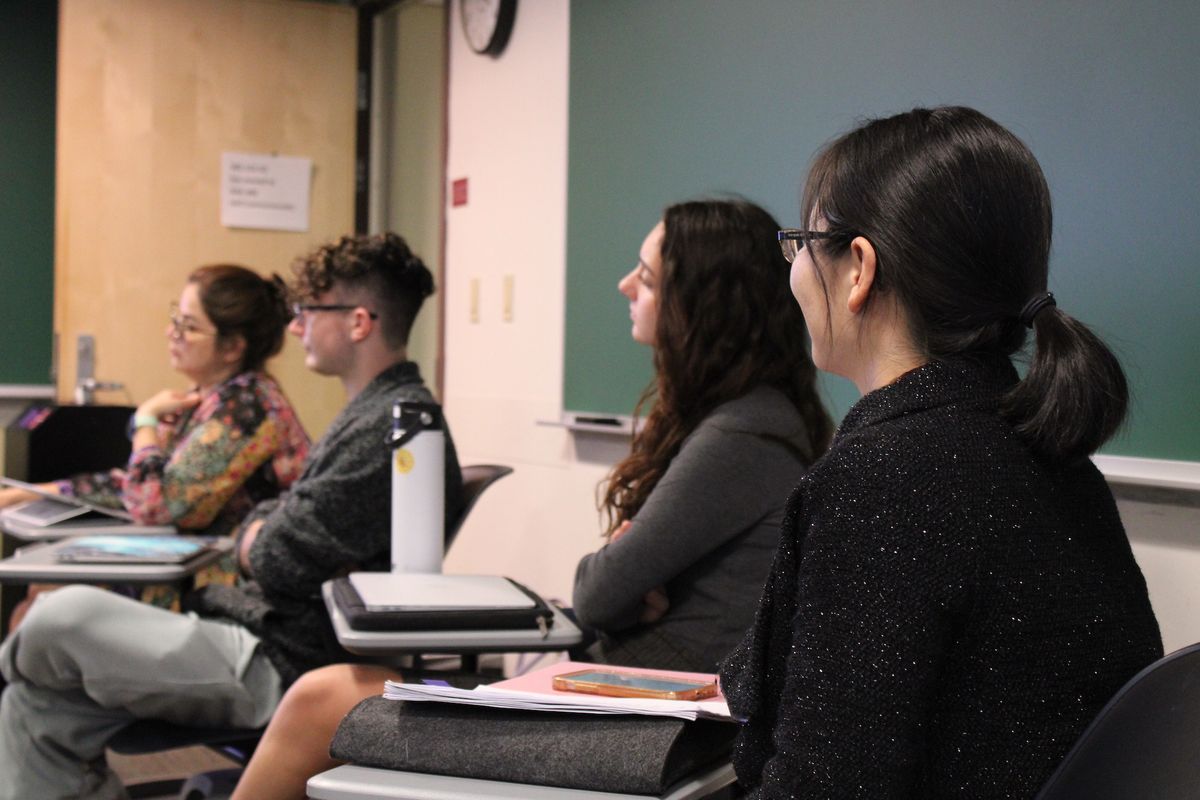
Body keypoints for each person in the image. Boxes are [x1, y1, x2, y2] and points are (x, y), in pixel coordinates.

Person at [226, 198, 834, 800]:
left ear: (703, 306)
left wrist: (620, 582)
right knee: (333, 695)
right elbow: (612, 597)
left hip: (654, 723)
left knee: (317, 699)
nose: (625, 286)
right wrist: (624, 587)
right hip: (623, 698)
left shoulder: (739, 436)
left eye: (646, 278)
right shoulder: (750, 420)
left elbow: (595, 593)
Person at [718, 106, 1163, 798]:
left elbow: (825, 785)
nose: (796, 273)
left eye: (801, 244)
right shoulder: (1050, 452)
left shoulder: (884, 475)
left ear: (858, 269)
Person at [0, 232, 464, 800]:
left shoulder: (393, 427)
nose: (295, 329)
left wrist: (254, 534)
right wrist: (258, 531)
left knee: (58, 614)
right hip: (246, 624)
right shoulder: (372, 415)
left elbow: (278, 557)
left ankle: (15, 661)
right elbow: (270, 521)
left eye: (308, 313)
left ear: (359, 323)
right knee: (32, 708)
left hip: (277, 655)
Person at [1, 264, 310, 625]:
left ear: (232, 348)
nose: (171, 333)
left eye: (188, 327)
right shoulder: (209, 399)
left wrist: (146, 423)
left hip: (225, 588)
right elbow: (139, 484)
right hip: (186, 562)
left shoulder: (247, 409)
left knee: (42, 611)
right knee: (39, 599)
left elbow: (157, 504)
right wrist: (39, 494)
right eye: (175, 319)